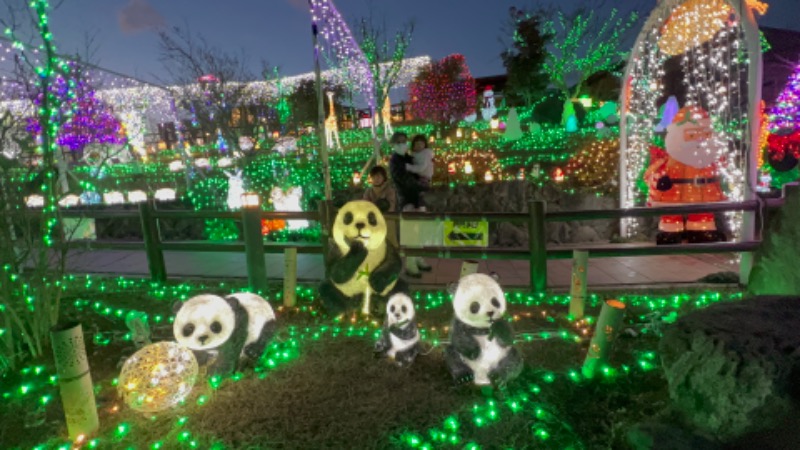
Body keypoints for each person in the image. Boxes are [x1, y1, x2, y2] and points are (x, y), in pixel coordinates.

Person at [388, 131, 432, 277]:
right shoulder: (395, 161)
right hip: (406, 200)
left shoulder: (407, 157)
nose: (402, 144)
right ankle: (410, 265)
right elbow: (405, 182)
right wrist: (423, 186)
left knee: (419, 232)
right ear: (393, 145)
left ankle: (418, 258)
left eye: (404, 141)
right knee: (411, 233)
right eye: (399, 142)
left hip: (416, 198)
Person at [363, 165, 398, 247]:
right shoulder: (369, 191)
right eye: (374, 177)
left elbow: (391, 205)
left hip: (387, 220)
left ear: (383, 177)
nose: (376, 179)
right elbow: (365, 204)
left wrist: (381, 206)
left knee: (389, 244)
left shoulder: (389, 190)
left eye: (378, 176)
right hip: (373, 222)